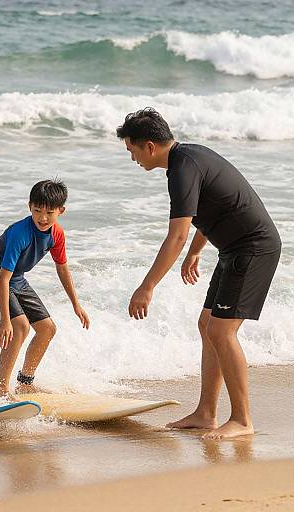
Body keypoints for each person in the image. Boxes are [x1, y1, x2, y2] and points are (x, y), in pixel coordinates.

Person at [117, 108, 281, 439]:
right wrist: (195, 251)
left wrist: (147, 287)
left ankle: (242, 420)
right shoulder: (186, 160)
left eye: (132, 150)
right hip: (235, 249)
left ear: (149, 146)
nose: (132, 158)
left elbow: (175, 234)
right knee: (207, 325)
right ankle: (207, 413)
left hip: (253, 248)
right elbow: (213, 206)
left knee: (222, 331)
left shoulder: (182, 169)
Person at [0, 179, 90, 398]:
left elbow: (63, 269)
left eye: (49, 212)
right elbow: (2, 278)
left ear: (61, 211)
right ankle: (0, 390)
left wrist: (76, 305)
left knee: (48, 329)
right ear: (30, 206)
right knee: (20, 328)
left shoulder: (57, 234)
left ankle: (25, 383)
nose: (43, 218)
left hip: (17, 278)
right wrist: (5, 321)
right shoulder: (20, 233)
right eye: (37, 211)